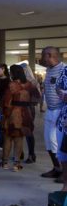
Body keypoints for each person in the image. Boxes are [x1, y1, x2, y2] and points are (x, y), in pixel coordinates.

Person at [0, 65, 40, 172]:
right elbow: (36, 98)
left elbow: (6, 102)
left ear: (13, 73)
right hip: (25, 113)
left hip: (13, 113)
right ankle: (16, 165)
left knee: (8, 138)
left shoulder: (12, 85)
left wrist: (5, 115)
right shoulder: (29, 85)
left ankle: (5, 163)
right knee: (19, 139)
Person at [40, 47, 65, 179]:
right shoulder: (48, 70)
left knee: (56, 142)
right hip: (50, 110)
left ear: (49, 55)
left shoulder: (64, 70)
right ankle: (56, 167)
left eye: (43, 56)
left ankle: (63, 172)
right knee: (48, 141)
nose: (42, 59)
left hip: (60, 111)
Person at [20, 63, 42, 164]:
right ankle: (21, 153)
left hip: (28, 108)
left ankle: (31, 154)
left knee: (28, 132)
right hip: (22, 108)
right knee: (20, 131)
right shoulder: (21, 82)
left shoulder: (32, 83)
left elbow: (38, 97)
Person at [56, 65, 67, 191]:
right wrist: (61, 94)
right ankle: (66, 185)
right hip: (64, 119)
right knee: (63, 155)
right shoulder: (66, 70)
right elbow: (58, 86)